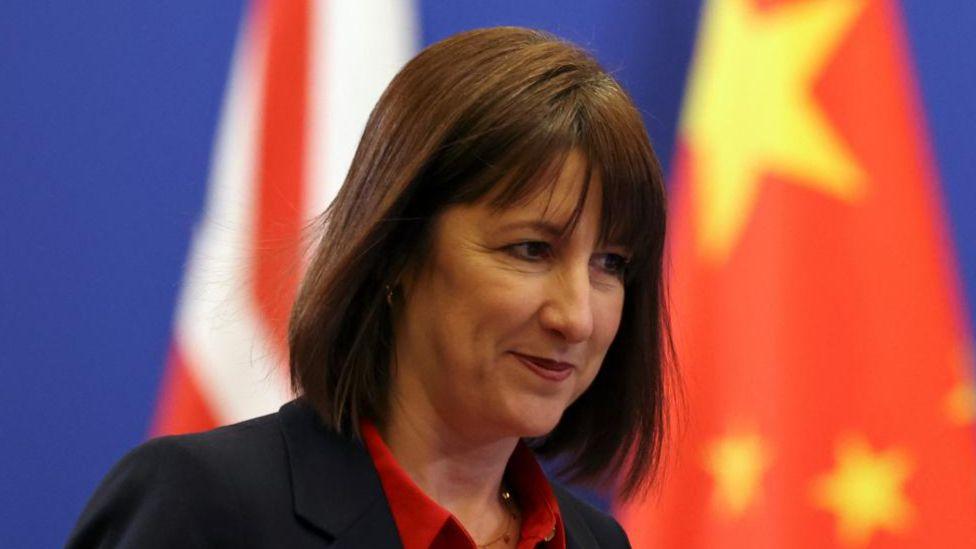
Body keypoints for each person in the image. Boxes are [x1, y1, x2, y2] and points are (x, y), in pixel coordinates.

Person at [67, 26, 674, 548]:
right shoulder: (203, 509)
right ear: (396, 254)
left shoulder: (596, 542)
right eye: (530, 250)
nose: (577, 318)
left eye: (610, 264)